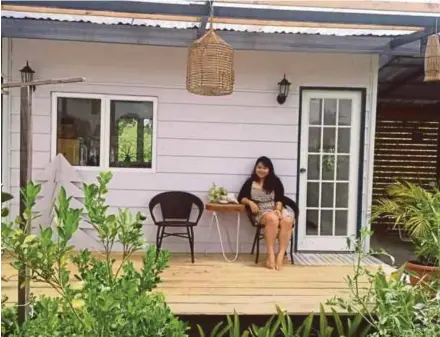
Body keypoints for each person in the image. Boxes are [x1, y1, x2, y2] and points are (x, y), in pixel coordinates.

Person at [238, 156, 295, 270]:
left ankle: (280, 255)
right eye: (259, 167)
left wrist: (278, 209)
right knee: (272, 219)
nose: (261, 170)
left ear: (269, 170)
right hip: (260, 211)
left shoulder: (275, 181)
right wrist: (250, 202)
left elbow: (280, 198)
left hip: (275, 208)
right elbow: (241, 197)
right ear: (255, 168)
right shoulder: (250, 182)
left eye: (265, 168)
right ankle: (270, 255)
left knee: (288, 221)